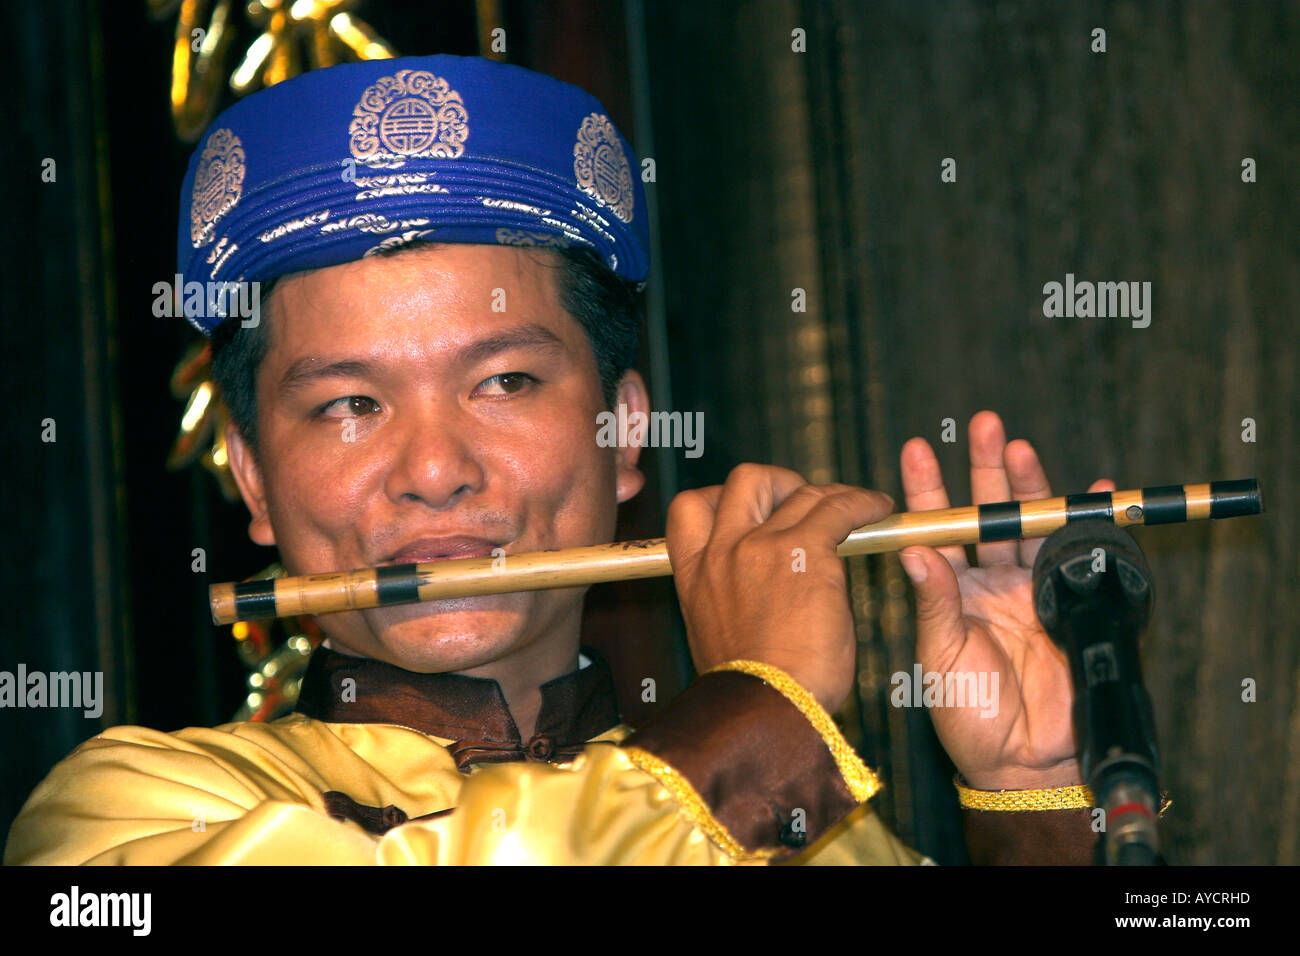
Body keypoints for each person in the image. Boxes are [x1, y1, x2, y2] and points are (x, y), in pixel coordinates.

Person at [6, 54, 1112, 865]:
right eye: (349, 402)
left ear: (625, 427)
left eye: (505, 382)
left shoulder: (808, 816)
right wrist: (753, 707)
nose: (433, 469)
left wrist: (1034, 792)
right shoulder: (122, 815)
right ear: (250, 476)